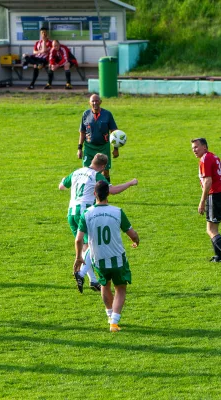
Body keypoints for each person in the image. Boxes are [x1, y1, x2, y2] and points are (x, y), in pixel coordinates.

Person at [59, 153, 138, 293]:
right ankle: (82, 273)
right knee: (93, 244)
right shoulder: (97, 176)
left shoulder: (77, 171)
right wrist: (130, 183)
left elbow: (61, 186)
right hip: (84, 212)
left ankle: (92, 280)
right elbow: (112, 191)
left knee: (85, 246)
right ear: (102, 167)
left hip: (71, 212)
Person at [74, 180, 140, 332]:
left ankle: (110, 315)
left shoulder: (87, 214)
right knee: (121, 288)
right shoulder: (117, 211)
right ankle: (114, 322)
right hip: (117, 258)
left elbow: (78, 239)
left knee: (105, 285)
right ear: (108, 193)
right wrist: (136, 240)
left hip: (99, 259)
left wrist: (79, 256)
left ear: (94, 194)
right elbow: (132, 233)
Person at [191, 138, 221, 266]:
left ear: (204, 147)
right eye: (193, 148)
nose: (194, 150)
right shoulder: (214, 157)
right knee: (212, 228)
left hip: (214, 195)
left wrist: (202, 201)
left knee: (211, 230)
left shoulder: (205, 159)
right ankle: (218, 256)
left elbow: (208, 182)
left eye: (196, 147)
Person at [79, 94, 119, 182]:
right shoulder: (86, 114)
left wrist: (116, 149)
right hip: (89, 147)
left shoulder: (107, 114)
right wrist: (79, 148)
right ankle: (88, 192)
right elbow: (82, 132)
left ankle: (106, 191)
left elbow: (114, 132)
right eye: (92, 101)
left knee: (105, 171)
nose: (95, 103)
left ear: (100, 102)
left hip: (103, 147)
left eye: (97, 100)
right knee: (86, 170)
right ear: (89, 103)